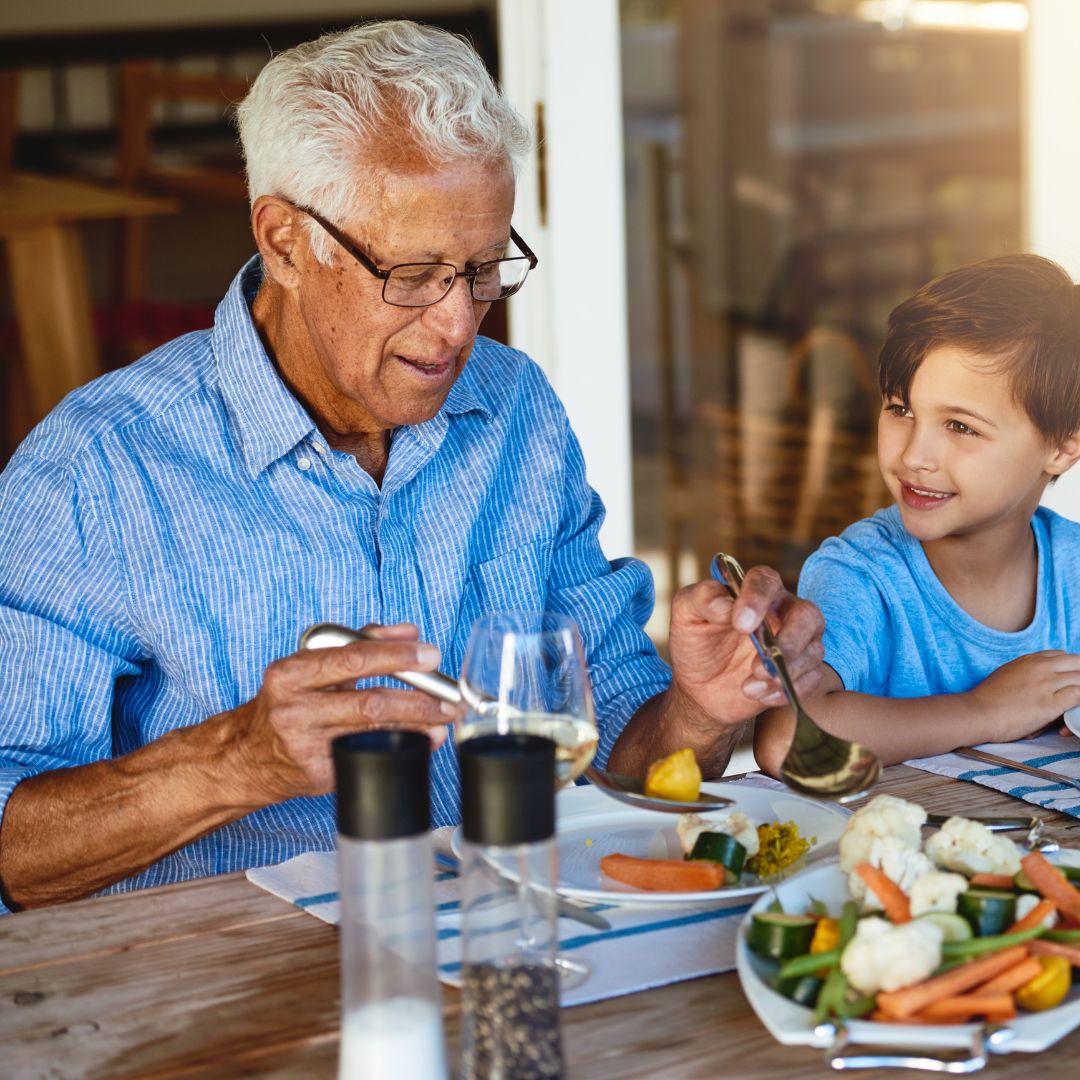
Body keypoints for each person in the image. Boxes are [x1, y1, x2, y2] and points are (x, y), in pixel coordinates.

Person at [0, 21, 824, 913]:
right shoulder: (96, 467)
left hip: (511, 935)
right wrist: (234, 763)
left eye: (482, 271)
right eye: (415, 273)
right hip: (229, 993)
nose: (460, 326)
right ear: (284, 242)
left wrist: (698, 711)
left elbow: (620, 766)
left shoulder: (516, 412)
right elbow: (13, 849)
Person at [755, 253, 1080, 775]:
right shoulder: (861, 574)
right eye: (900, 410)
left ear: (1063, 446)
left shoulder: (1074, 568)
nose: (913, 456)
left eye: (960, 427)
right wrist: (986, 711)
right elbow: (789, 740)